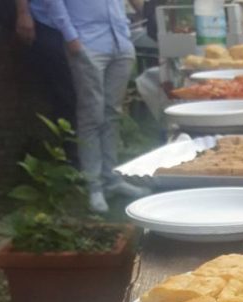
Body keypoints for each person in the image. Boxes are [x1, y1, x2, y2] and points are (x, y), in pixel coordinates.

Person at [42, 0, 150, 213]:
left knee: (113, 113)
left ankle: (112, 178)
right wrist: (70, 36)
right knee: (91, 115)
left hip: (120, 42)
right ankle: (94, 185)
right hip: (88, 42)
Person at [13, 0, 78, 162]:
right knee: (65, 95)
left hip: (80, 25)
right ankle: (71, 159)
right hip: (47, 23)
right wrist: (23, 12)